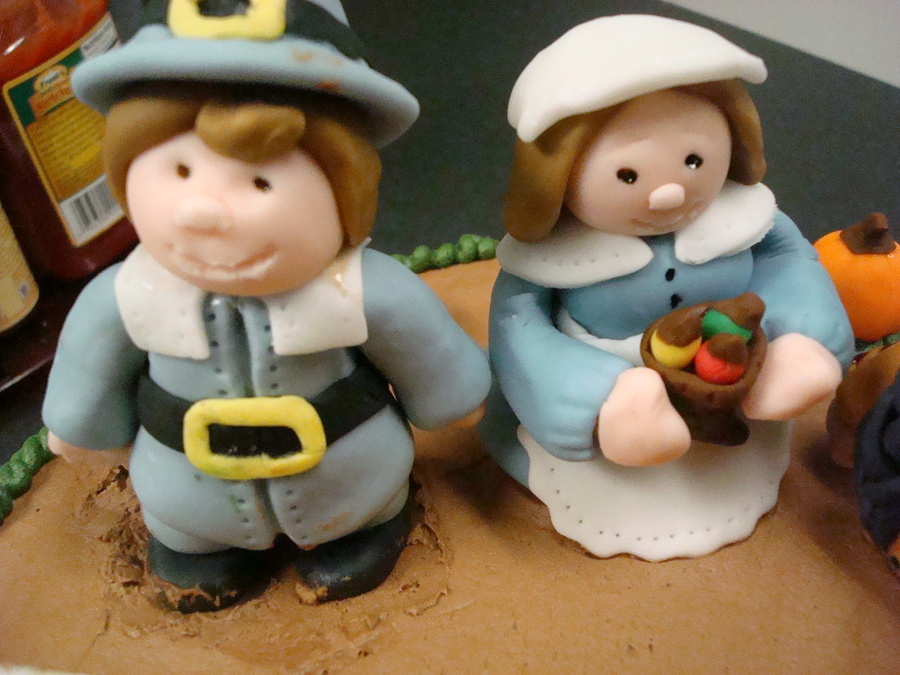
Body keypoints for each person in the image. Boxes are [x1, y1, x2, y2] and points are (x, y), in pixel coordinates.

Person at [43, 0, 490, 612]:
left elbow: (425, 349)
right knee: (186, 529)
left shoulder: (364, 289)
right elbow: (89, 368)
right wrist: (78, 423)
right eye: (180, 171)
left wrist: (454, 397)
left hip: (347, 477)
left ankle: (361, 532)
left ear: (346, 187)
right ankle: (199, 547)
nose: (203, 213)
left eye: (260, 182)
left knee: (359, 510)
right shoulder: (127, 296)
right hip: (186, 489)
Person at [479, 14, 853, 561]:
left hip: (736, 385)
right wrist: (592, 401)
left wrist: (802, 336)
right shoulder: (545, 262)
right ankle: (621, 418)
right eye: (627, 175)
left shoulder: (748, 218)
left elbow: (789, 262)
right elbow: (520, 330)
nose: (668, 195)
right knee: (621, 436)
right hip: (614, 395)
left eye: (694, 160)